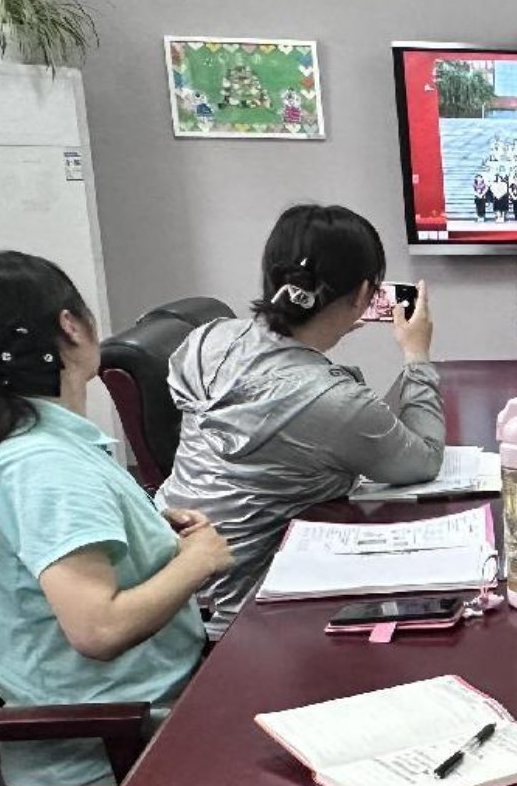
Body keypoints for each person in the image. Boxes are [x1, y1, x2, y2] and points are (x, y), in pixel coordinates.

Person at [0, 252, 232, 786]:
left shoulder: (33, 442)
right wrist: (198, 561)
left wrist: (151, 536)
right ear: (72, 325)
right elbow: (99, 629)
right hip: (120, 753)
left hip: (157, 710)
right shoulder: (44, 465)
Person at [158, 204, 445, 635]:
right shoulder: (331, 399)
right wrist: (416, 355)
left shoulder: (207, 338)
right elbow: (423, 460)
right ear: (364, 294)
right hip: (250, 613)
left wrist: (325, 328)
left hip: (168, 583)